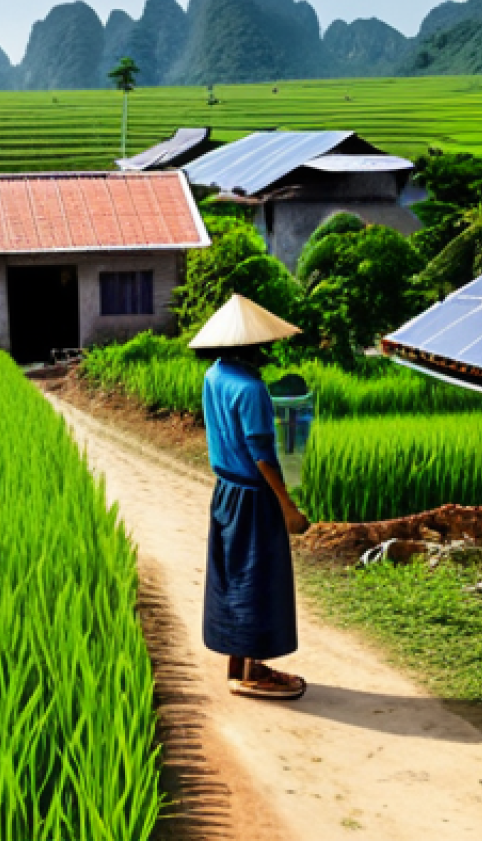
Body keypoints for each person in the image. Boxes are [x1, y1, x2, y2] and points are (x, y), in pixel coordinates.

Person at [189, 294, 311, 700]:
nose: (269, 350)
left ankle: (241, 664)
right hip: (254, 496)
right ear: (250, 346)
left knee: (232, 577)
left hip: (226, 491)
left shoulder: (214, 375)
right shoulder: (252, 389)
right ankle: (248, 673)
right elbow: (262, 455)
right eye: (264, 345)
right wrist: (287, 506)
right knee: (258, 582)